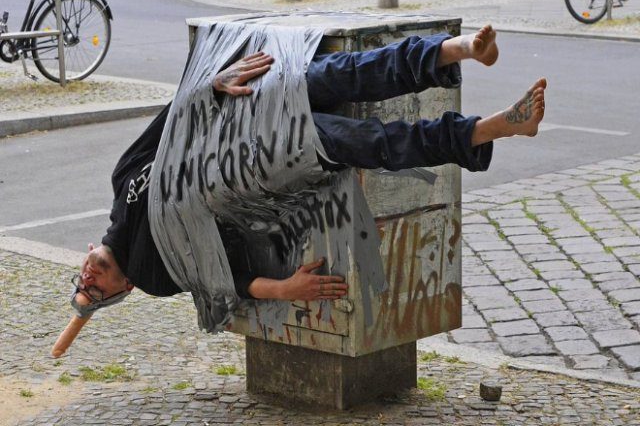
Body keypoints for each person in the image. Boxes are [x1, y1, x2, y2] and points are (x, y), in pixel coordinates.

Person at [71, 25, 547, 317]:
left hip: (247, 106)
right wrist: (285, 289)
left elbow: (173, 119)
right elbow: (226, 278)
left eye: (81, 282)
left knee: (342, 72)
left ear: (88, 253)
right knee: (369, 142)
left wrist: (214, 82)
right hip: (262, 159)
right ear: (124, 288)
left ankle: (457, 49)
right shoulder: (155, 273)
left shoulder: (121, 179)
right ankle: (492, 129)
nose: (89, 280)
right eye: (97, 293)